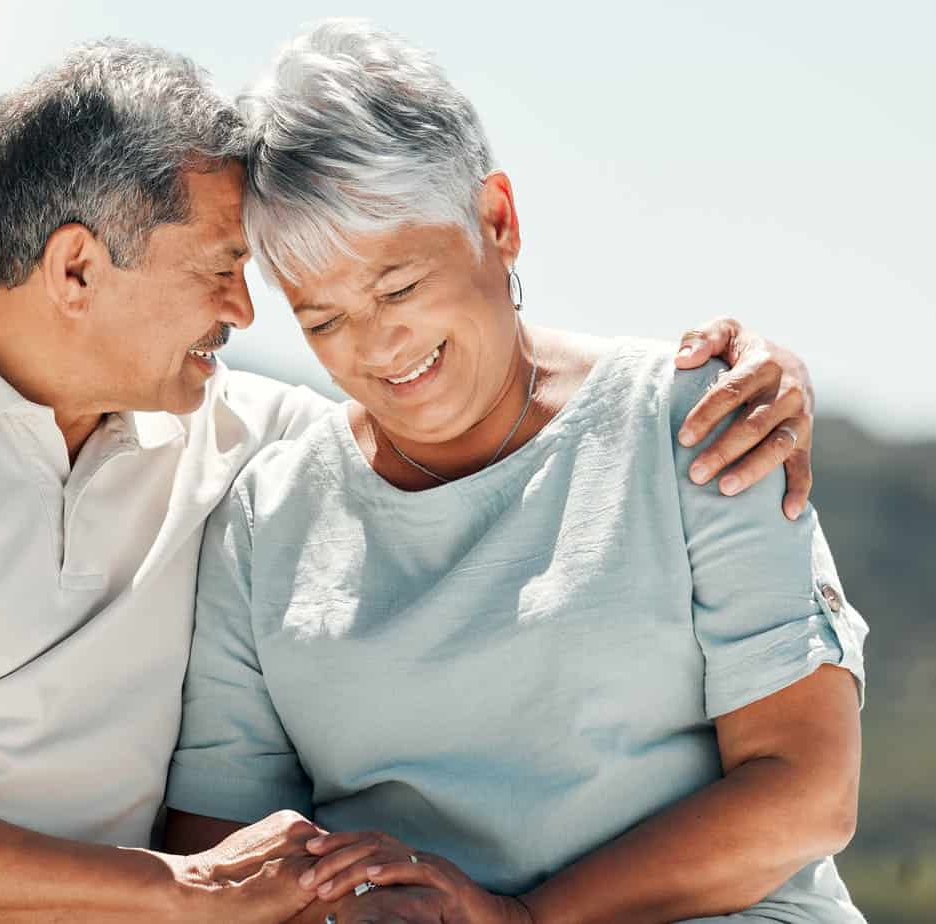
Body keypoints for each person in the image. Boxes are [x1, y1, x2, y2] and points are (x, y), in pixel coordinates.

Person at [0, 37, 823, 924]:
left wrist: (763, 372)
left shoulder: (241, 437)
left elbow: (455, 418)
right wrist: (171, 889)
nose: (247, 313)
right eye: (228, 272)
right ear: (75, 268)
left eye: (386, 290)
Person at [163, 20, 867, 924]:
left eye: (397, 288)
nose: (376, 348)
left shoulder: (695, 419)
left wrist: (520, 919)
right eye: (322, 319)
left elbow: (804, 795)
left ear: (496, 221)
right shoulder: (265, 513)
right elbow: (214, 846)